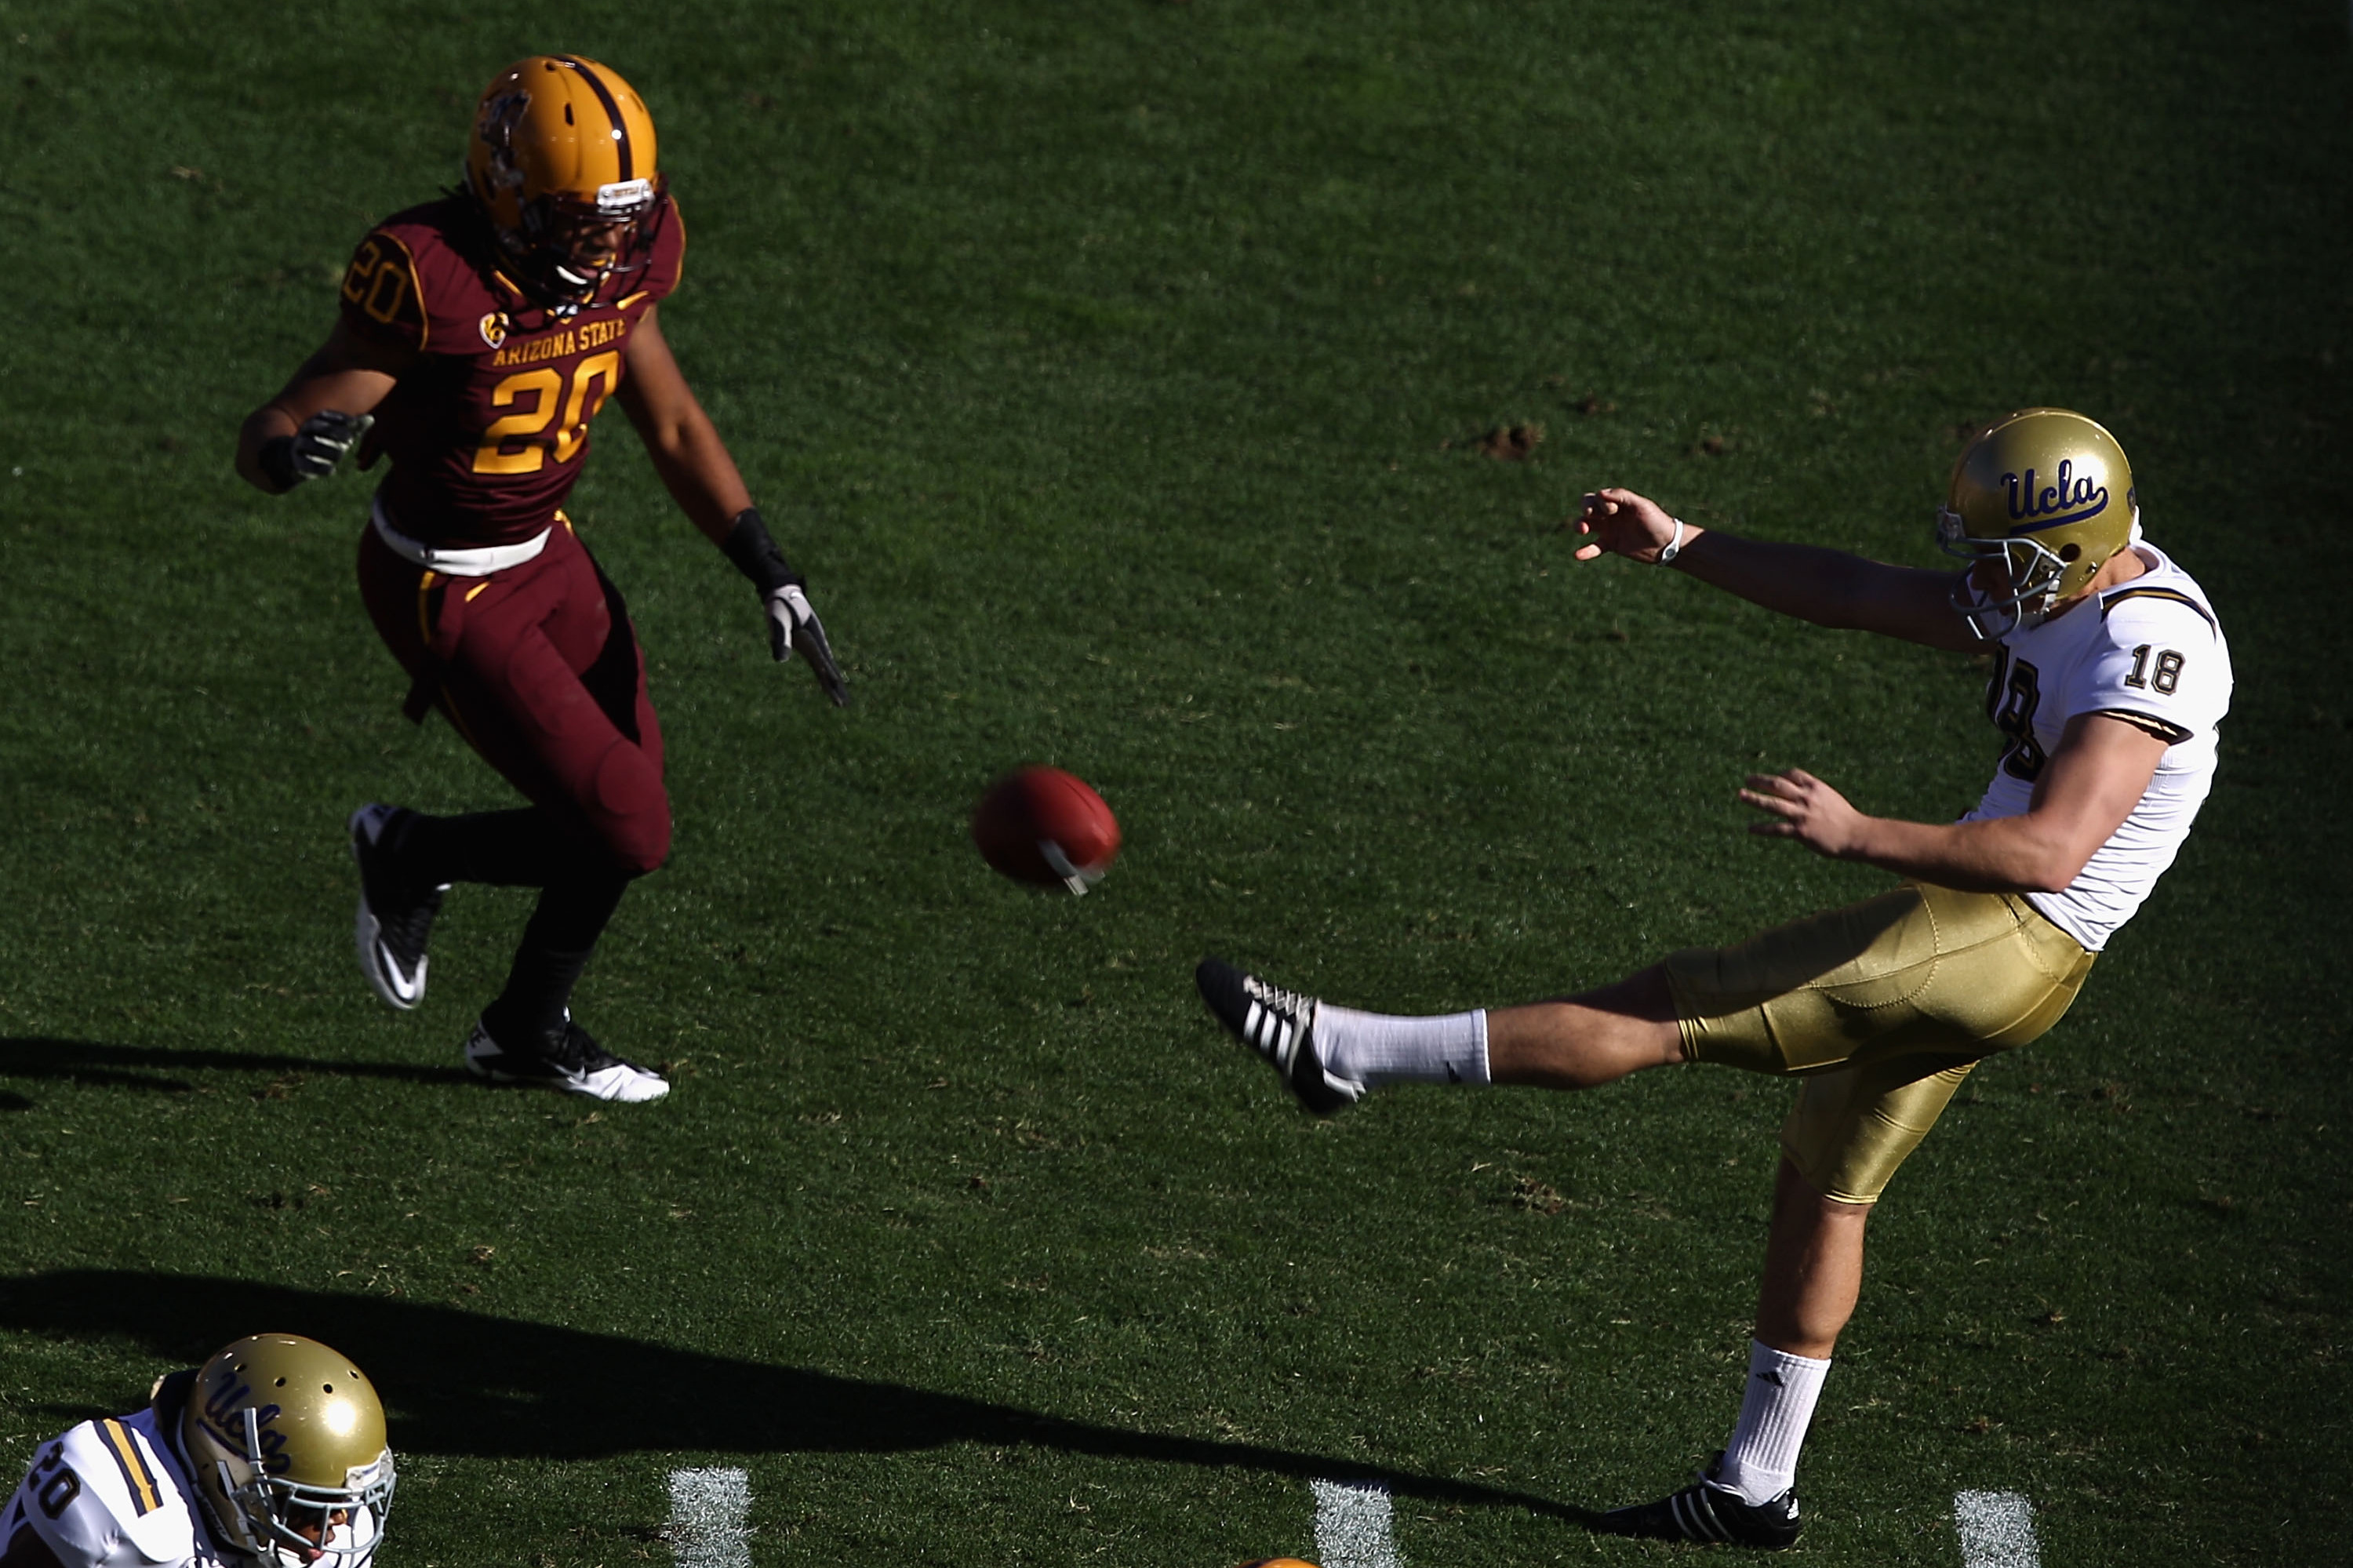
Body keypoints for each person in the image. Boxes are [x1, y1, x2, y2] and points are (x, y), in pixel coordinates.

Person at [1195, 409, 2230, 1548]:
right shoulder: (2072, 582)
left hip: (2006, 930)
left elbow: (2050, 851)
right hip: (2003, 938)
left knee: (1678, 1000)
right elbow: (1861, 589)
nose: (1979, 576)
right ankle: (1754, 1482)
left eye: (2001, 554)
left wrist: (1860, 830)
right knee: (1826, 1179)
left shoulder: (2150, 646)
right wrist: (1684, 541)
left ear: (2075, 544)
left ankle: (1346, 1052)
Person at [235, 56, 846, 1103]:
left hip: (548, 554)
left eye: (622, 216)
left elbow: (673, 421)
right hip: (444, 582)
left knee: (626, 801)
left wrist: (767, 563)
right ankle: (410, 848)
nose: (607, 242)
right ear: (506, 195)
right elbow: (281, 415)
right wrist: (287, 453)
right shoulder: (434, 274)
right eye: (579, 218)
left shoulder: (624, 264)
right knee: (628, 824)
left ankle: (524, 1027)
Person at [0, 1334, 395, 1568]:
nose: (339, 1523)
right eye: (306, 1504)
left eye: (345, 1501)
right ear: (226, 1474)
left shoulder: (343, 1529)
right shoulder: (123, 1513)